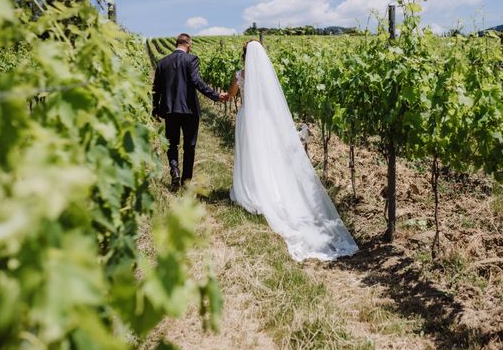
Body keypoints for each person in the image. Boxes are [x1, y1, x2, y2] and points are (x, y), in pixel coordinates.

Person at [224, 40, 358, 261]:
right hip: (264, 121)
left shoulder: (240, 74)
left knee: (249, 156)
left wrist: (225, 96)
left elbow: (230, 95)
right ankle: (271, 191)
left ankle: (251, 191)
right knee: (266, 157)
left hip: (247, 120)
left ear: (244, 55)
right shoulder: (265, 75)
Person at [152, 33, 228, 190]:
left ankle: (174, 170)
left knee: (172, 143)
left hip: (170, 110)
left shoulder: (163, 63)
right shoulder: (191, 59)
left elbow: (156, 89)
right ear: (188, 45)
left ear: (176, 44)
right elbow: (196, 82)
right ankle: (186, 182)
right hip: (189, 110)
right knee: (189, 146)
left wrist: (155, 109)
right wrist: (215, 96)